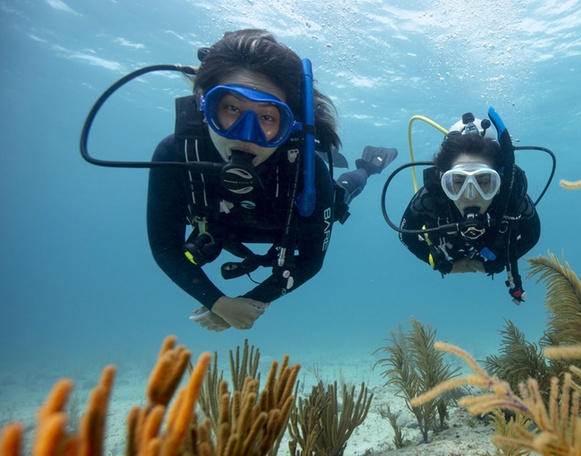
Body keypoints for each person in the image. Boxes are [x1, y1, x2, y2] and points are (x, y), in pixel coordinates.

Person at [147, 29, 397, 331]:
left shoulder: (307, 171)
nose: (245, 134)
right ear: (205, 106)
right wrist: (219, 303)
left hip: (287, 217)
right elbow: (164, 246)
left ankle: (368, 167)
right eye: (231, 108)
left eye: (267, 118)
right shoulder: (176, 153)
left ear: (288, 124)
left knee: (341, 192)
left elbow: (309, 262)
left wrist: (248, 302)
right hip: (221, 229)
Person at [397, 113, 541, 304]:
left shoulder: (511, 198)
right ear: (443, 182)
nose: (470, 195)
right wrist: (441, 264)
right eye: (458, 182)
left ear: (501, 182)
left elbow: (533, 235)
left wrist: (497, 264)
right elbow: (405, 235)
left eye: (484, 182)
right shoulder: (431, 198)